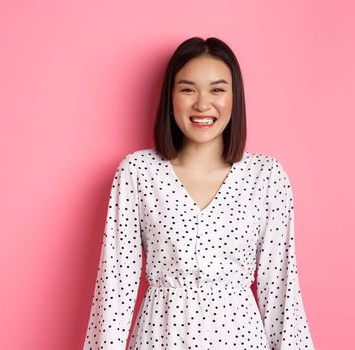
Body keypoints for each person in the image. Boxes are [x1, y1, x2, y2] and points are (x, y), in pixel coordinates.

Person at [83, 36, 316, 350]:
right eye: (187, 89)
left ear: (235, 98)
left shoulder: (266, 177)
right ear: (171, 97)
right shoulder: (138, 173)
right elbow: (115, 287)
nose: (202, 104)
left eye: (217, 90)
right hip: (160, 339)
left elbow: (281, 294)